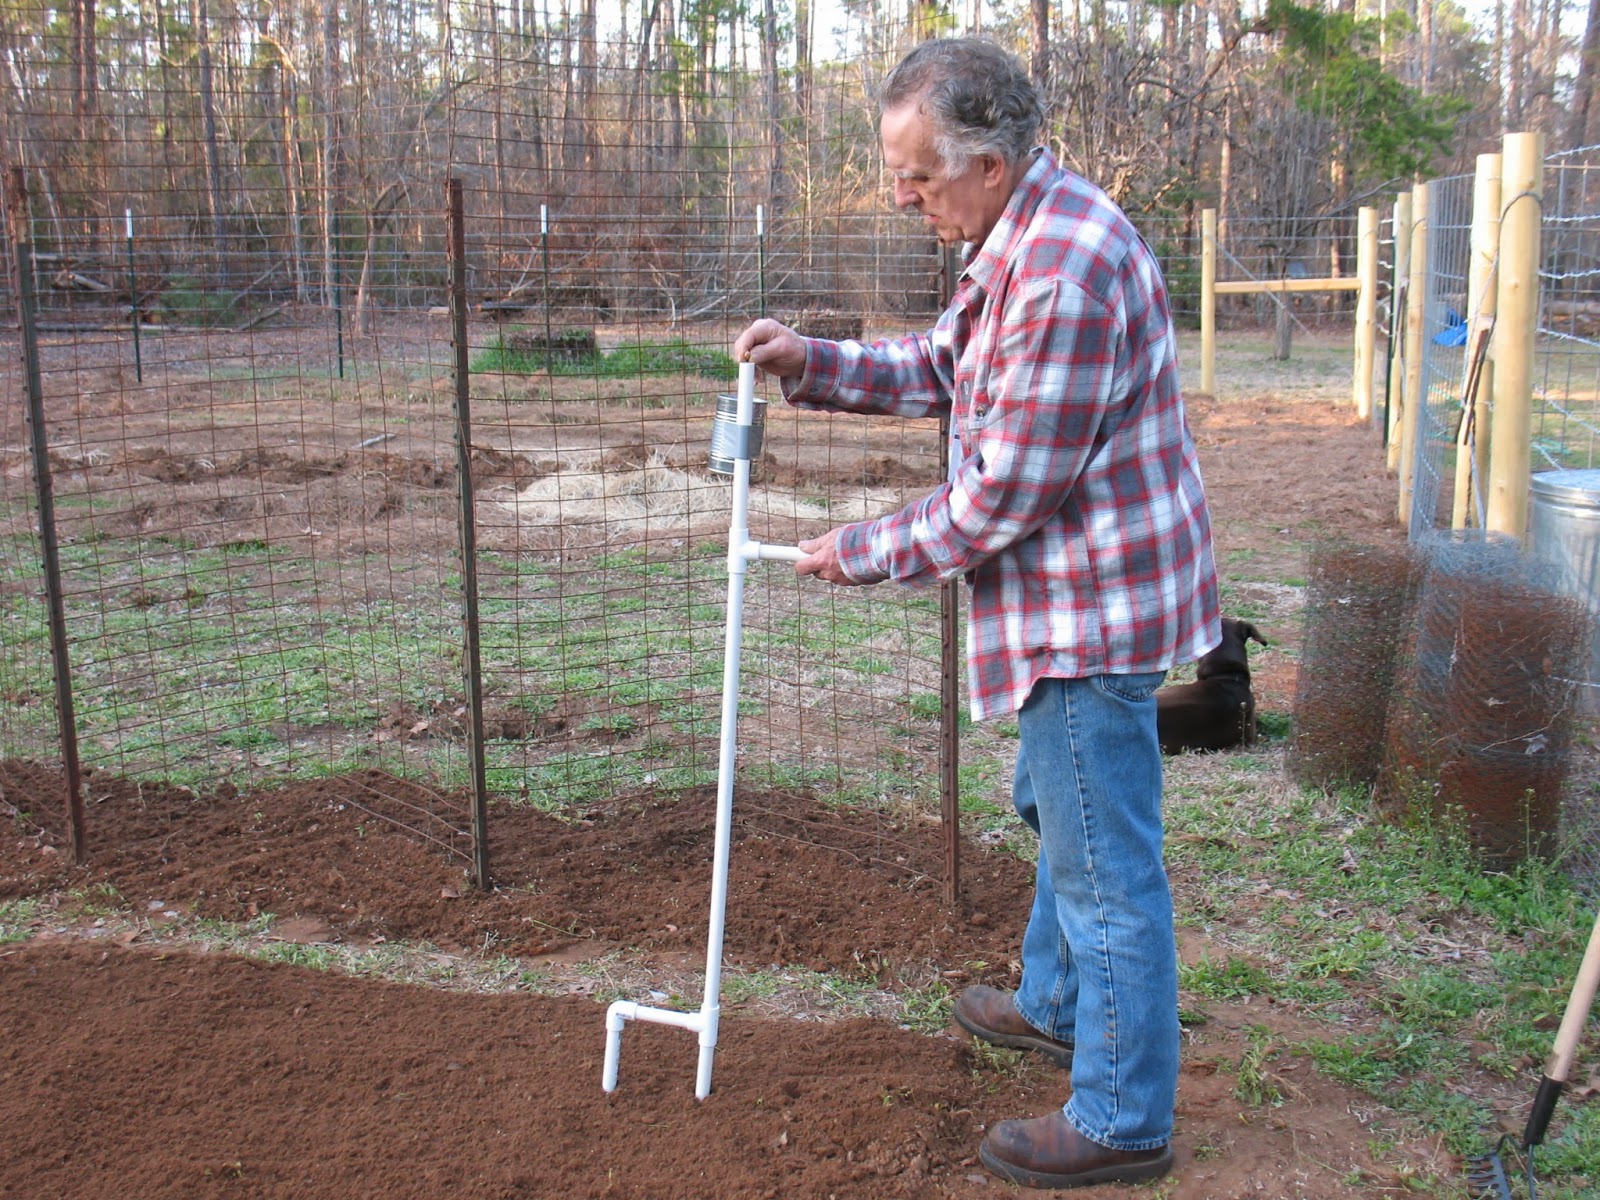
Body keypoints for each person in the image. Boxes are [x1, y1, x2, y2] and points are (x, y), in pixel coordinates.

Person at [733, 36, 1220, 1191]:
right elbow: (944, 368)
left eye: (917, 176)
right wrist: (815, 361)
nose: (902, 198)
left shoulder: (1057, 273)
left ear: (989, 164)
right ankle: (1054, 1004)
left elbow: (996, 497)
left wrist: (855, 554)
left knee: (1105, 865)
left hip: (1091, 609)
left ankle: (1119, 1117)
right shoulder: (1015, 238)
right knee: (1066, 813)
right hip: (1086, 589)